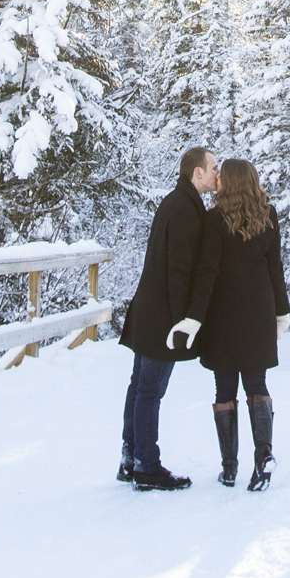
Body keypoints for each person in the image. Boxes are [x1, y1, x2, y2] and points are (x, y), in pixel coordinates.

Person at [116, 145, 221, 491]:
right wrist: (183, 323)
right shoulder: (183, 209)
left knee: (139, 387)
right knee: (149, 391)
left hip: (149, 310)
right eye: (214, 168)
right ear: (197, 173)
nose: (217, 174)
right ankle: (146, 467)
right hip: (162, 317)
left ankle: (131, 459)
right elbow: (178, 270)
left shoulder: (178, 203)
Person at [185, 157, 290, 490]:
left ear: (228, 183)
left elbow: (207, 272)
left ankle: (229, 467)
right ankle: (263, 460)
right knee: (257, 384)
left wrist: (194, 316)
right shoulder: (269, 216)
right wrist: (281, 312)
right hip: (258, 311)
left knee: (224, 388)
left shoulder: (214, 220)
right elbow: (276, 269)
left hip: (223, 314)